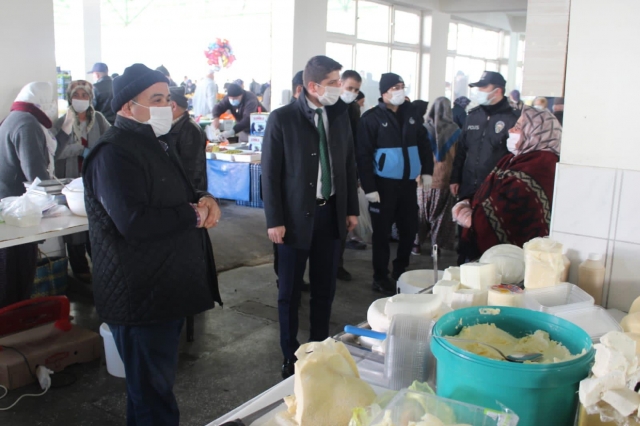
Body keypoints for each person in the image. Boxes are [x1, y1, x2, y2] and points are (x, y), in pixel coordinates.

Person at [82, 63, 222, 426]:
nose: (167, 105)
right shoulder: (113, 152)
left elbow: (179, 190)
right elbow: (132, 222)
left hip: (165, 286)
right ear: (128, 107)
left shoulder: (154, 141)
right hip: (140, 296)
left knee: (153, 393)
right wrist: (193, 215)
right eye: (156, 99)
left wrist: (204, 199)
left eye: (168, 98)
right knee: (151, 398)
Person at [262, 55, 359, 379]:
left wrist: (350, 209)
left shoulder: (339, 115)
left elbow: (347, 164)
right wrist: (274, 219)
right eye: (333, 83)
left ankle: (318, 348)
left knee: (324, 288)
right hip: (293, 218)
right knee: (289, 292)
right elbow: (270, 174)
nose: (339, 89)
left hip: (330, 214)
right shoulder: (283, 119)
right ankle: (289, 354)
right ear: (313, 86)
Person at [357, 73, 433, 294]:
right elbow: (363, 154)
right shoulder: (371, 118)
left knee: (409, 230)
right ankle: (380, 277)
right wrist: (369, 187)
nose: (400, 90)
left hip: (408, 184)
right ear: (384, 92)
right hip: (383, 185)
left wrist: (427, 171)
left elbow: (424, 145)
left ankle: (401, 270)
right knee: (381, 234)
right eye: (395, 87)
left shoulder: (412, 114)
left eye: (402, 86)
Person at [453, 106, 562, 259]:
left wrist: (471, 216)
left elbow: (510, 212)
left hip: (511, 258)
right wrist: (469, 201)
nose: (511, 130)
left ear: (535, 133)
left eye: (518, 127)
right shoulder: (517, 157)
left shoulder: (539, 166)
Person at [0, 82, 57, 307]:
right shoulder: (27, 123)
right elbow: (35, 177)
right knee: (17, 272)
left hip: (8, 207)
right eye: (50, 101)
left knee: (8, 270)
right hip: (17, 210)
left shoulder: (14, 117)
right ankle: (14, 327)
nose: (52, 106)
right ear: (40, 102)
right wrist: (59, 197)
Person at [52, 80, 111, 283]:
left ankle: (100, 263)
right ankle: (79, 267)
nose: (81, 99)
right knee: (73, 226)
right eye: (76, 95)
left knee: (94, 221)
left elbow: (110, 140)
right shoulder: (63, 122)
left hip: (93, 179)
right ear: (70, 98)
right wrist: (80, 150)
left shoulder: (100, 119)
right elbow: (55, 151)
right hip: (70, 180)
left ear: (90, 98)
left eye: (84, 95)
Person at [414, 97, 461, 255]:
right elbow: (459, 156)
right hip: (445, 179)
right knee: (441, 216)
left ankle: (416, 245)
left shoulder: (422, 129)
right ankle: (436, 247)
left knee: (419, 213)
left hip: (423, 179)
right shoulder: (455, 130)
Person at [167, 86, 208, 191]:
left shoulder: (190, 130)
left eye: (160, 102)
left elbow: (194, 170)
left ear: (173, 106)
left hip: (185, 192)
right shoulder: (171, 126)